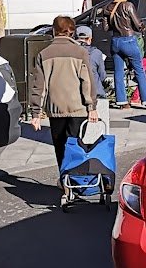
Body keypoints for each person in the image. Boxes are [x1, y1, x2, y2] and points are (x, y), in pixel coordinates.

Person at [28, 15, 99, 171]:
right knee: (75, 144)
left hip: (55, 109)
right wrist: (91, 106)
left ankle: (64, 177)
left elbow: (39, 85)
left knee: (60, 146)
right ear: (72, 32)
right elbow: (87, 81)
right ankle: (74, 178)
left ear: (54, 31)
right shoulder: (80, 52)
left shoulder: (44, 54)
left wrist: (35, 114)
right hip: (78, 107)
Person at [101, 0, 146, 110]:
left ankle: (122, 101)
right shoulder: (128, 5)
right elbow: (137, 24)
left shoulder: (107, 7)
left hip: (115, 41)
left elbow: (105, 28)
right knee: (139, 70)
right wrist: (143, 27)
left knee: (118, 72)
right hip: (128, 40)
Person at [75, 25, 110, 133]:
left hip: (75, 94)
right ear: (90, 39)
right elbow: (102, 75)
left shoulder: (71, 52)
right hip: (96, 93)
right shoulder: (96, 53)